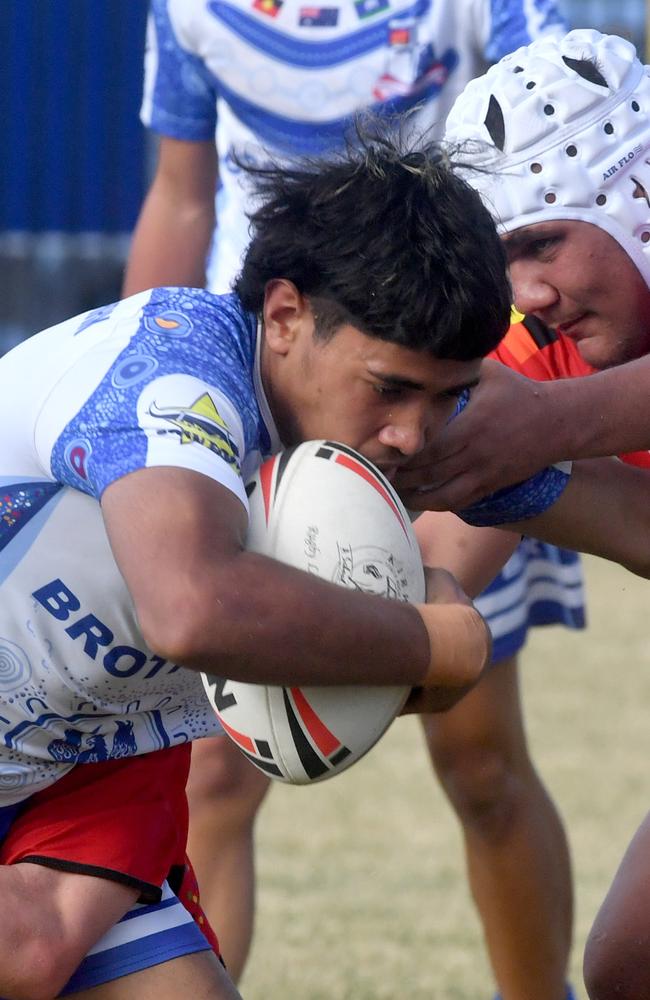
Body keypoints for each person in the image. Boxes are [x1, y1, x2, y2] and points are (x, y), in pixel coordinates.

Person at [1, 131, 649, 999]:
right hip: (60, 739)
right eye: (390, 387)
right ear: (283, 316)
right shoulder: (176, 371)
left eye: (448, 394)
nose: (413, 435)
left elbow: (633, 522)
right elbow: (191, 605)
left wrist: (550, 426)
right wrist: (428, 645)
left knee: (49, 949)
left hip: (86, 764)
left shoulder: (403, 427)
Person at [124, 4, 587, 995]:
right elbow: (181, 195)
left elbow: (559, 149)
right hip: (265, 407)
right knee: (210, 772)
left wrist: (510, 401)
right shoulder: (188, 9)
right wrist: (142, 381)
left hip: (437, 394)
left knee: (475, 757)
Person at [394, 28, 650, 1000]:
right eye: (503, 263)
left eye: (539, 242)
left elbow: (533, 430)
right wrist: (357, 630)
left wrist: (539, 428)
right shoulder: (546, 334)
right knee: (628, 964)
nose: (527, 296)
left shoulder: (554, 385)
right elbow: (448, 540)